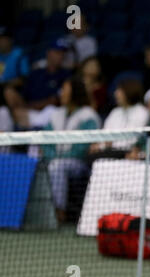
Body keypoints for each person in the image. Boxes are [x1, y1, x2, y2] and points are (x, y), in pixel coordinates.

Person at [42, 75, 101, 222]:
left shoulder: (88, 116)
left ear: (75, 92)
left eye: (65, 90)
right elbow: (45, 141)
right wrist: (52, 156)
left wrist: (56, 159)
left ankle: (59, 212)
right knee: (47, 165)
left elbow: (84, 146)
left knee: (57, 166)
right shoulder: (55, 114)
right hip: (54, 161)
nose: (61, 93)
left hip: (79, 164)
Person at [4, 39, 71, 128]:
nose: (61, 56)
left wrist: (30, 106)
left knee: (50, 109)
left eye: (63, 53)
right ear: (49, 53)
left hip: (48, 113)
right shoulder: (36, 73)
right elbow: (25, 96)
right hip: (29, 110)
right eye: (57, 52)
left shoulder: (66, 75)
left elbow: (54, 101)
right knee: (8, 95)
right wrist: (27, 106)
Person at [87, 78, 149, 163]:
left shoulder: (142, 112)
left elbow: (132, 139)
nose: (116, 93)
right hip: (110, 152)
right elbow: (105, 134)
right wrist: (100, 145)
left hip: (128, 154)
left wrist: (107, 144)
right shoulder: (115, 112)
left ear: (129, 91)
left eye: (119, 90)